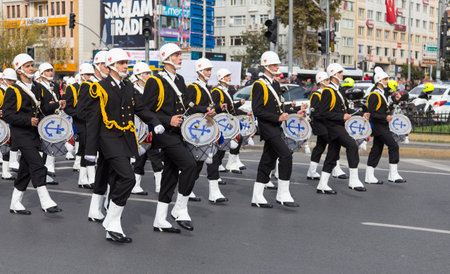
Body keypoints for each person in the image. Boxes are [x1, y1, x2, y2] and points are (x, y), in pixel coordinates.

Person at [84, 48, 163, 243]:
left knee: (113, 178)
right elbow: (93, 121)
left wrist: (156, 121)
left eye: (126, 63)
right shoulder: (100, 88)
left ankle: (113, 225)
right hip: (108, 139)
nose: (125, 67)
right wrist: (90, 150)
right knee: (127, 178)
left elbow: (140, 108)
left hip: (125, 139)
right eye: (121, 63)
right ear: (111, 66)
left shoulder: (128, 86)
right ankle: (111, 219)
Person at [143, 43, 198, 233]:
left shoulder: (180, 79)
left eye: (180, 54)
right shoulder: (155, 81)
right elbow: (145, 110)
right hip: (164, 134)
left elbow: (183, 108)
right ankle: (180, 208)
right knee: (190, 165)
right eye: (176, 55)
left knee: (170, 175)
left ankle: (160, 219)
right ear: (166, 58)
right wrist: (168, 120)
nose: (180, 57)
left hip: (179, 134)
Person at [3, 53, 64, 214]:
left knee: (25, 169)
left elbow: (43, 108)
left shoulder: (37, 87)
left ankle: (15, 203)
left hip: (35, 133)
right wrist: (27, 120)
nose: (31, 68)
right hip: (21, 134)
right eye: (27, 66)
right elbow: (8, 114)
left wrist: (58, 104)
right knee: (37, 164)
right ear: (19, 70)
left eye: (32, 65)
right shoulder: (13, 90)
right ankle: (46, 201)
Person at [250, 51, 306, 208]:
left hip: (276, 127)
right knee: (286, 155)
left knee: (267, 161)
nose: (277, 67)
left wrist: (295, 112)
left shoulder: (274, 84)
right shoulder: (259, 84)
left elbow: (279, 107)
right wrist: (277, 118)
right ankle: (282, 194)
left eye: (277, 64)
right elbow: (258, 110)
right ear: (266, 66)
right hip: (268, 128)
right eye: (274, 65)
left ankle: (257, 196)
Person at [316, 63, 369, 193]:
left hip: (339, 125)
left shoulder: (339, 91)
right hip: (333, 126)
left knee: (332, 155)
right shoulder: (328, 91)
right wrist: (341, 116)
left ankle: (322, 184)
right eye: (340, 72)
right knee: (352, 145)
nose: (342, 74)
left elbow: (346, 109)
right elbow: (322, 112)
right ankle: (353, 180)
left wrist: (362, 114)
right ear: (333, 74)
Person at [185, 58, 229, 203]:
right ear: (199, 71)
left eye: (210, 70)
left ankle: (214, 193)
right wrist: (205, 109)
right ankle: (187, 188)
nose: (209, 72)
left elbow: (208, 108)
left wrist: (217, 108)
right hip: (197, 130)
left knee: (213, 159)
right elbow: (189, 105)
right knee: (196, 162)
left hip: (208, 129)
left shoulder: (206, 87)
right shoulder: (193, 87)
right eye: (207, 70)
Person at [365, 71, 405, 184]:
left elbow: (386, 109)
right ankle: (393, 174)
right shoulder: (374, 95)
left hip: (383, 125)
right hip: (379, 126)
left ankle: (369, 175)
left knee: (376, 150)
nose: (387, 81)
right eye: (385, 79)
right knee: (393, 146)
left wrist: (396, 101)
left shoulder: (382, 93)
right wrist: (385, 117)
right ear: (379, 81)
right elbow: (371, 113)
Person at [131, 62, 164, 195]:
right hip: (139, 128)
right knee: (142, 158)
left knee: (155, 155)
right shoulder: (133, 90)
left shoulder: (150, 89)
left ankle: (158, 185)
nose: (148, 75)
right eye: (145, 73)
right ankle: (137, 185)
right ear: (138, 75)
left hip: (152, 127)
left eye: (149, 73)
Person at [63, 63, 96, 189]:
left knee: (84, 148)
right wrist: (77, 114)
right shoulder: (72, 88)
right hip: (79, 121)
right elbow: (68, 107)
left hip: (91, 121)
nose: (89, 77)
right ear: (81, 76)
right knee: (87, 146)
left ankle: (82, 178)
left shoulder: (93, 86)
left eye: (91, 74)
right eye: (87, 74)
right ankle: (91, 177)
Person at [38, 62, 65, 185]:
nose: (50, 73)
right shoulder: (39, 86)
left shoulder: (53, 85)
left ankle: (46, 171)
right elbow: (43, 107)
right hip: (44, 120)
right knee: (43, 149)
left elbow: (56, 99)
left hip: (53, 119)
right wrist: (57, 103)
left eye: (51, 70)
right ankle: (41, 174)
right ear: (42, 73)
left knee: (51, 147)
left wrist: (59, 104)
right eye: (48, 71)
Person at [306, 72, 331, 186]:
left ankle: (312, 171)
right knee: (331, 144)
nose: (328, 82)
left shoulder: (327, 93)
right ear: (321, 82)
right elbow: (315, 112)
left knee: (320, 146)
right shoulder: (317, 94)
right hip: (320, 124)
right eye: (326, 80)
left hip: (326, 123)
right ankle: (334, 169)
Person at [0, 69, 18, 180]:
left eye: (13, 80)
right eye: (10, 80)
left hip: (8, 122)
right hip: (2, 122)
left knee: (7, 147)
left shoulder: (13, 90)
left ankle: (5, 171)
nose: (12, 82)